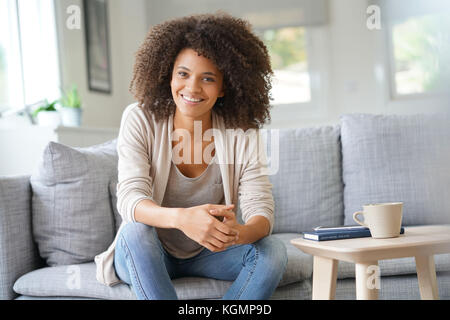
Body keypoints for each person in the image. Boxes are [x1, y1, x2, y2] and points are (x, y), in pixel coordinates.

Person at [94, 12, 288, 300]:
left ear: (224, 86)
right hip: (148, 250)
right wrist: (183, 219)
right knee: (135, 232)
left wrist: (238, 234)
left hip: (212, 252)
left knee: (272, 251)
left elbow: (261, 208)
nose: (192, 88)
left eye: (207, 78)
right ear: (169, 74)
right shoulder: (140, 119)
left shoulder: (242, 131)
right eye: (183, 74)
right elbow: (131, 199)